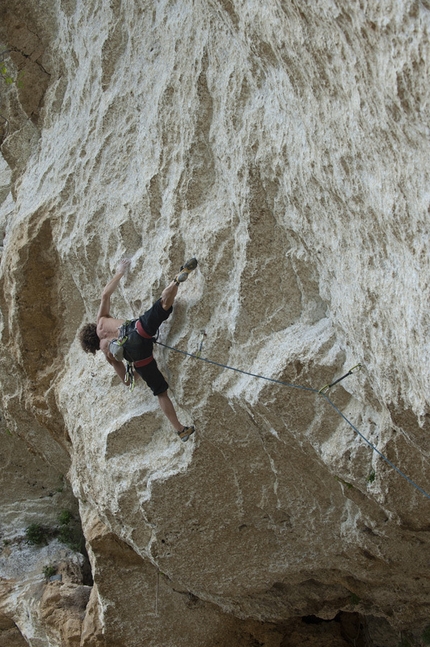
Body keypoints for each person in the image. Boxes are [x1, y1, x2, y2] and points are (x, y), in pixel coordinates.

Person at [79, 258, 198, 442]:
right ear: (92, 328)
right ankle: (176, 280)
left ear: (93, 346)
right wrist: (120, 271)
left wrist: (140, 371)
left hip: (139, 357)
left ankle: (180, 430)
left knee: (161, 392)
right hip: (137, 330)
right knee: (164, 304)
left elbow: (128, 381)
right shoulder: (101, 322)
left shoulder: (106, 353)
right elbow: (105, 295)